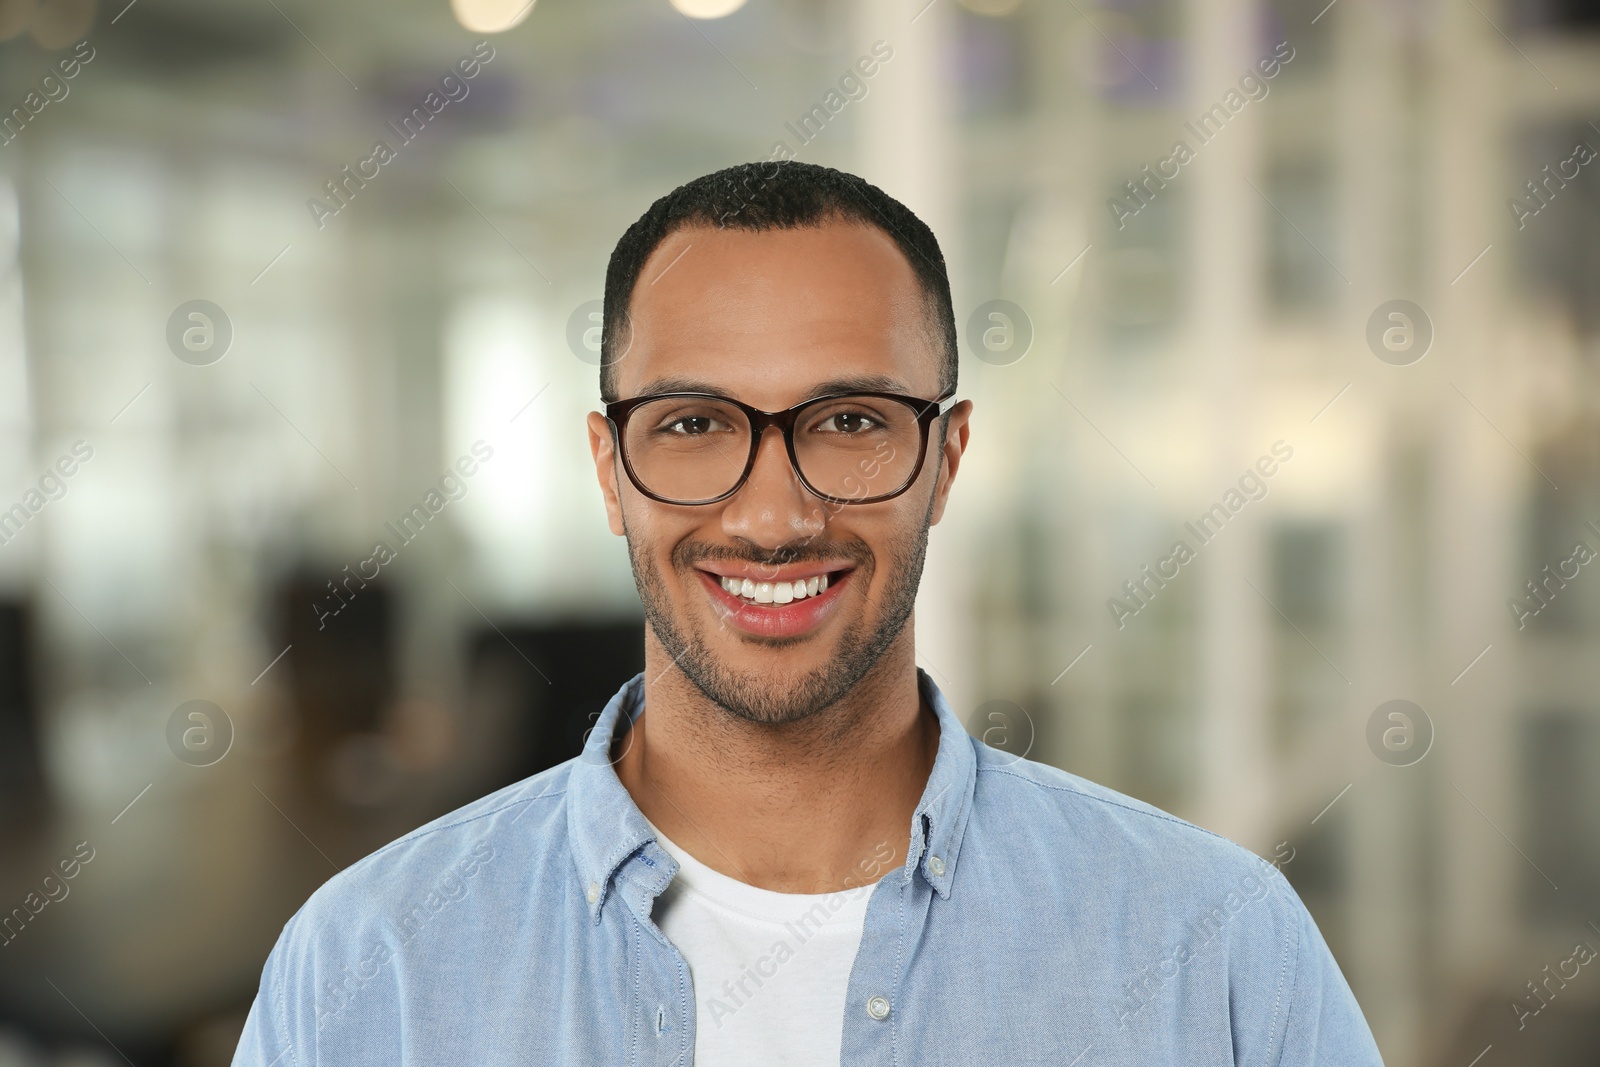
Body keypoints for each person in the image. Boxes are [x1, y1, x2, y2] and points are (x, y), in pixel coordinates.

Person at [231, 161, 1384, 1066]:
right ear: (606, 466)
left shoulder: (1218, 944)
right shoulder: (366, 963)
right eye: (691, 424)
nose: (772, 514)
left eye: (848, 420)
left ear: (946, 458)